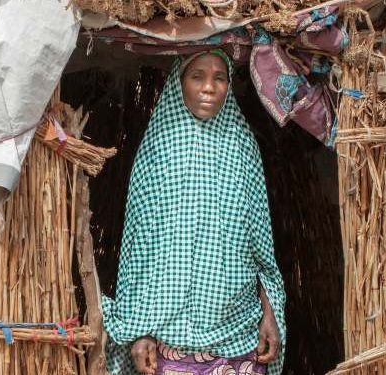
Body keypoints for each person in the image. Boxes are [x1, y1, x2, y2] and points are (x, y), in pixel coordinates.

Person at [102, 49, 287, 375]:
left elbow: (261, 243)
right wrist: (140, 329)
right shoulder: (160, 145)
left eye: (220, 78)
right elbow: (139, 247)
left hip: (239, 330)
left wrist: (270, 315)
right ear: (179, 83)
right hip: (168, 331)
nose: (209, 88)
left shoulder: (242, 145)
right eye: (197, 76)